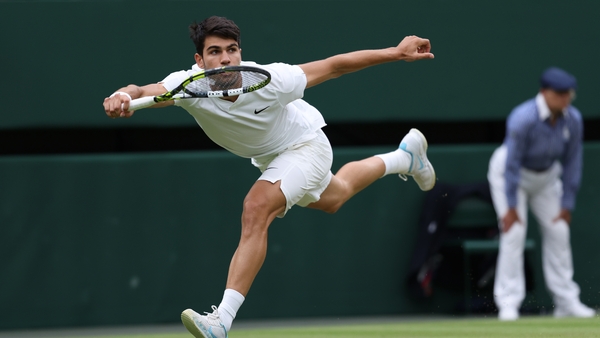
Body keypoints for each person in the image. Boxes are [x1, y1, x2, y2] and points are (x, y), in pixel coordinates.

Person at [103, 16, 436, 338]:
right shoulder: (186, 86)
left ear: (240, 52)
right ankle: (404, 157)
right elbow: (145, 89)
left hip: (306, 145)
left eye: (231, 49)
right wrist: (124, 95)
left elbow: (335, 65)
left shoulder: (271, 79)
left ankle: (222, 320)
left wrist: (396, 52)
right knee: (336, 196)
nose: (225, 58)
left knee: (256, 207)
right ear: (200, 60)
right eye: (215, 52)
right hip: (271, 159)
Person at [488, 67, 596, 321]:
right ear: (544, 93)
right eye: (559, 94)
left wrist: (567, 203)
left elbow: (573, 162)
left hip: (546, 179)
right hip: (509, 176)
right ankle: (508, 303)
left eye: (568, 94)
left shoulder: (574, 120)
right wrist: (511, 207)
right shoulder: (522, 118)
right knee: (514, 232)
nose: (565, 99)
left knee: (559, 231)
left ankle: (566, 302)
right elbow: (512, 164)